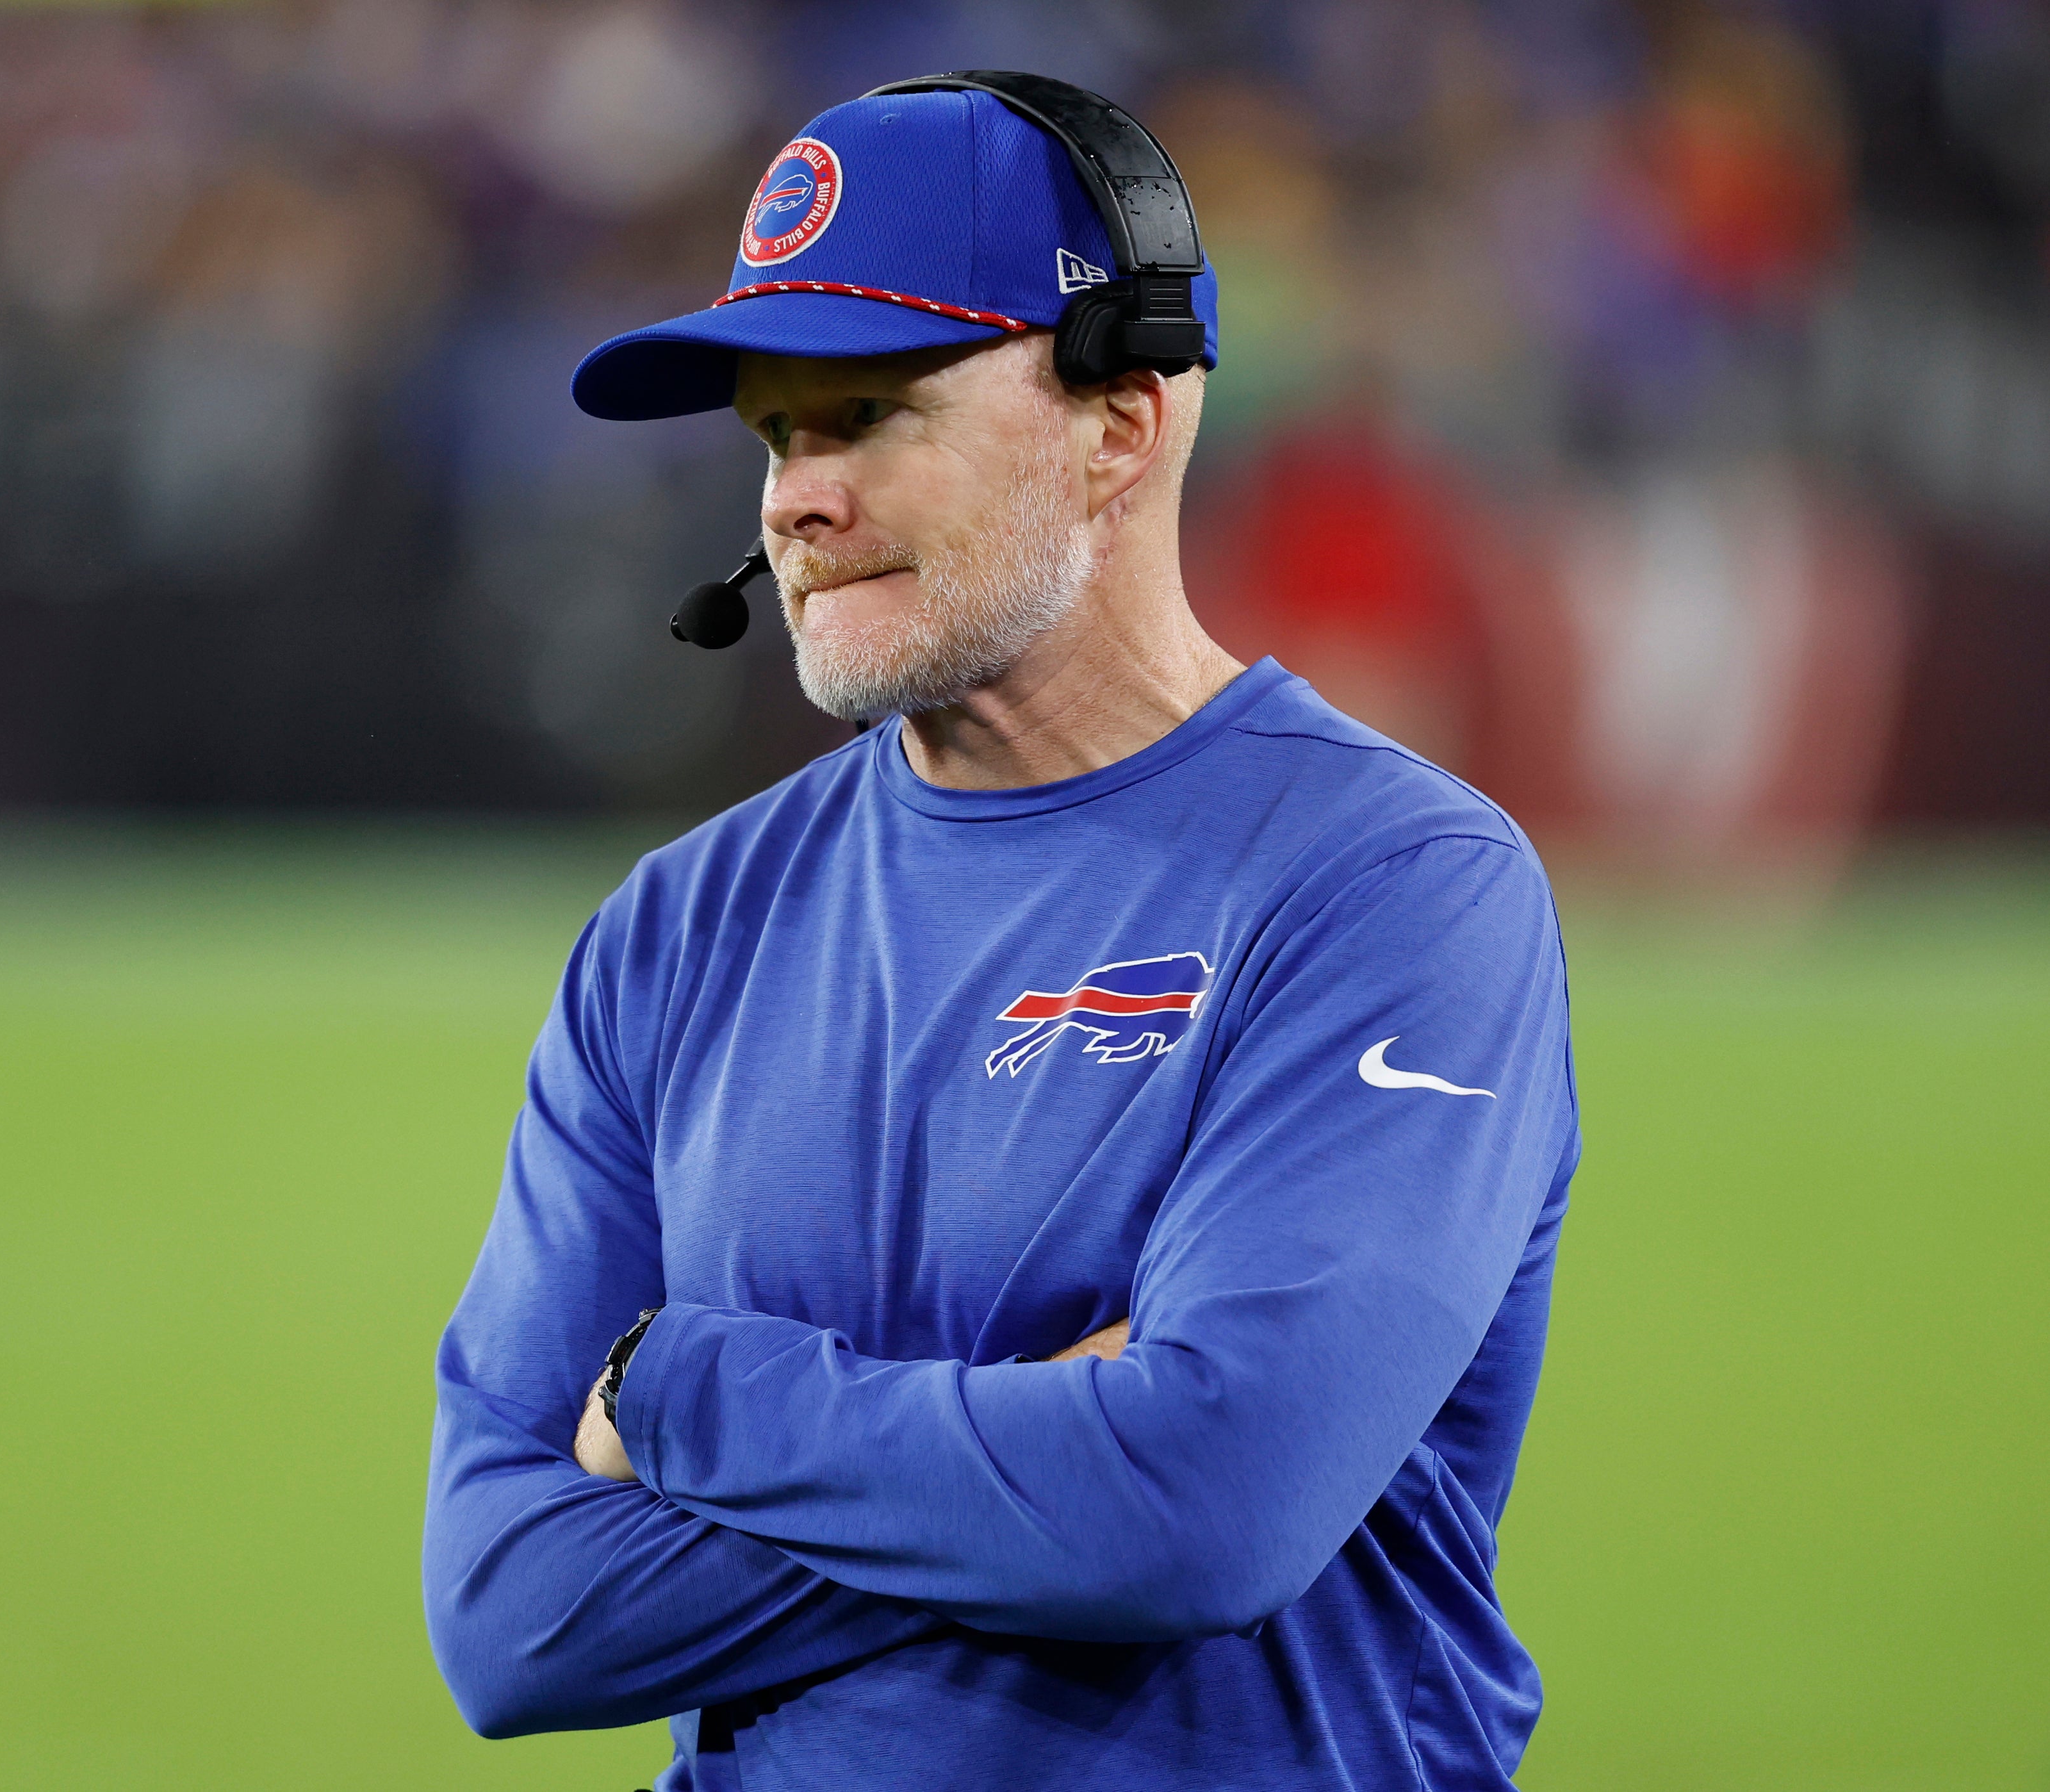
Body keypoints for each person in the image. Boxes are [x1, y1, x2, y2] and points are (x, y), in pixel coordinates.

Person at [423, 77, 1575, 1792]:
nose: (796, 502)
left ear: (1118, 422)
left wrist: (688, 1403)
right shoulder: (672, 930)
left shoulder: (1391, 885)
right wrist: (1063, 1446)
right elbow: (513, 1619)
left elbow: (1203, 1513)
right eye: (773, 437)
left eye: (869, 412)